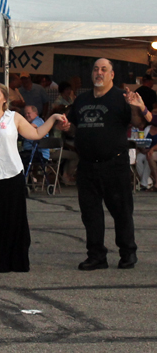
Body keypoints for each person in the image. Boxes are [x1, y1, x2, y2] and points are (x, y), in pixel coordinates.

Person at [0, 83, 67, 272]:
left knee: (12, 220)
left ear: (4, 98)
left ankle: (13, 260)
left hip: (11, 175)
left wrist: (51, 118)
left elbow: (35, 134)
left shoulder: (14, 118)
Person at [63, 58, 153, 271]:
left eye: (104, 69)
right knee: (90, 213)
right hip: (87, 165)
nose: (99, 73)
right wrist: (67, 128)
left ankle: (128, 253)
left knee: (121, 211)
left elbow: (140, 123)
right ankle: (96, 256)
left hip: (114, 164)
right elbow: (77, 129)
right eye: (96, 69)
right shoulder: (82, 99)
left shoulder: (121, 98)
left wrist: (134, 107)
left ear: (112, 75)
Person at [19, 105, 49, 169]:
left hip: (39, 154)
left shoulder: (38, 121)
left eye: (28, 113)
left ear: (35, 113)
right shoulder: (29, 123)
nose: (26, 115)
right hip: (30, 153)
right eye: (25, 114)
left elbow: (29, 128)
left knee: (18, 160)